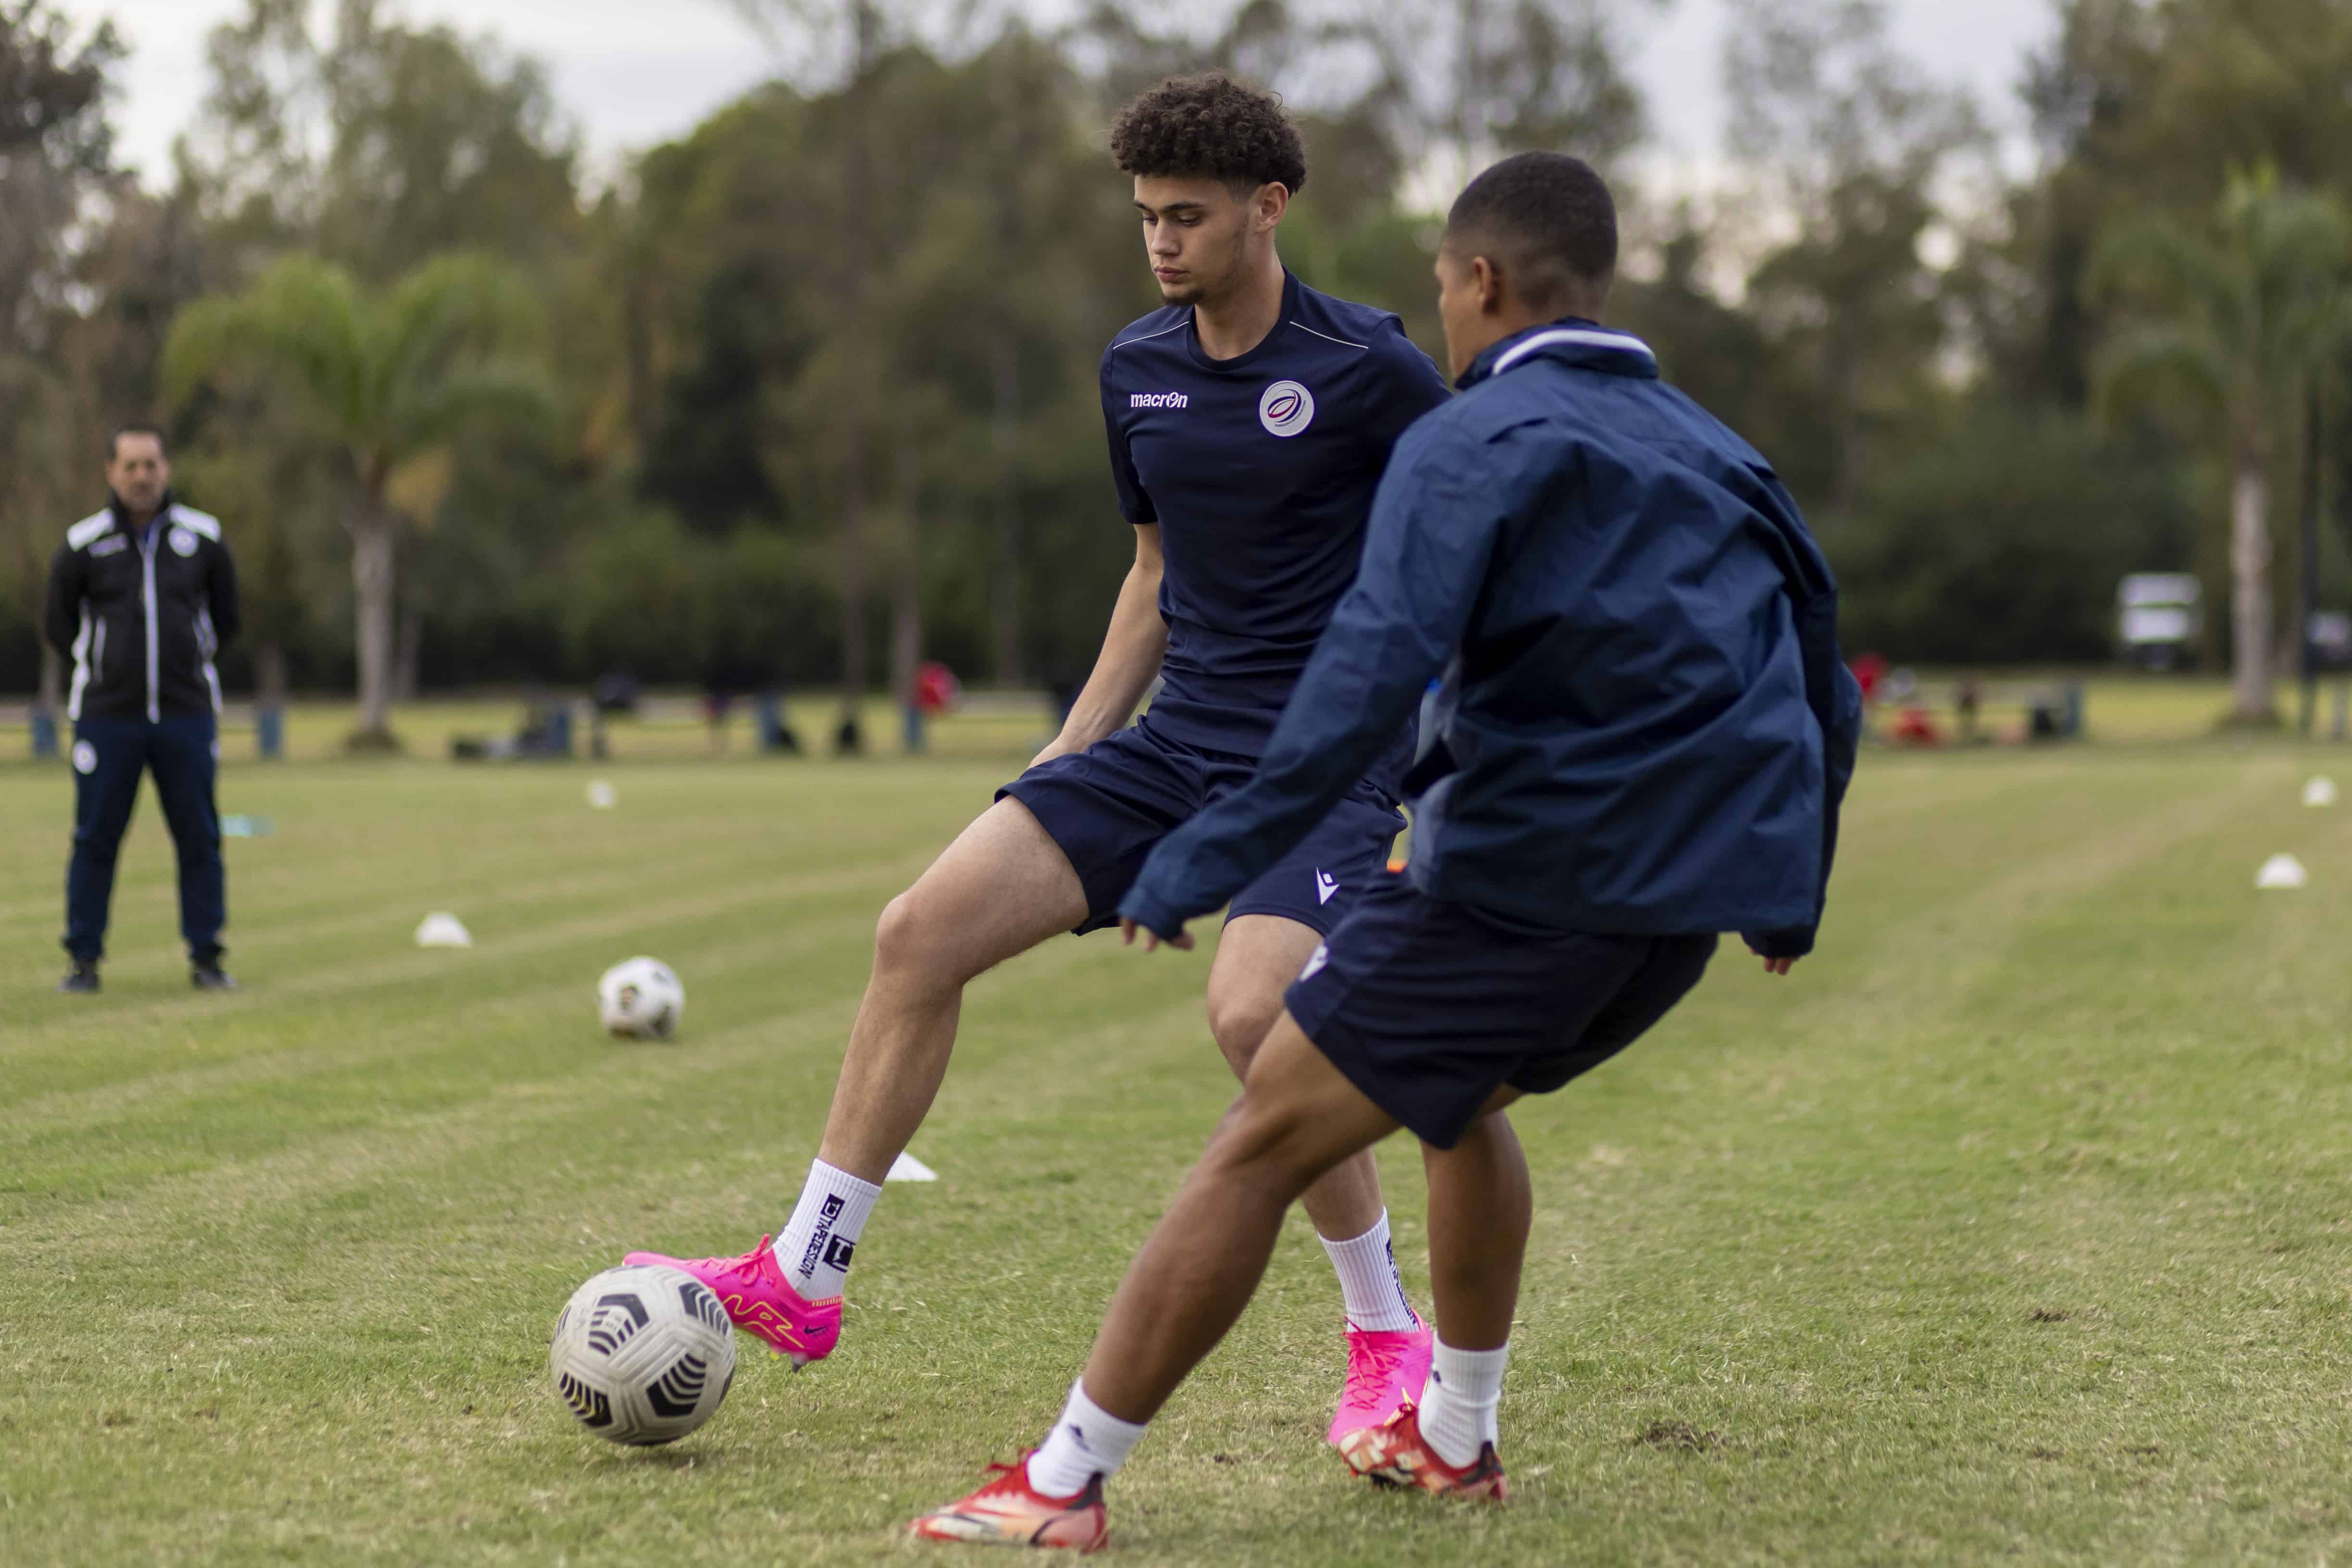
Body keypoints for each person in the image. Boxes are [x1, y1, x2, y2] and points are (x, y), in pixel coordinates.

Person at [908, 151, 1863, 1551]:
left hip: (1524, 888)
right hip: (1675, 923)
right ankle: (1454, 1436)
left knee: (1262, 1134)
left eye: (1443, 286)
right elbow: (1824, 676)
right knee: (1454, 1099)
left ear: (1479, 282)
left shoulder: (1469, 441)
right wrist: (1790, 894)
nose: (1443, 313)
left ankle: (1062, 1482)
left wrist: (1191, 859)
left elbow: (1361, 681)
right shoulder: (1716, 447)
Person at [625, 74, 1455, 1442]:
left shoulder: (1367, 367)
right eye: (1144, 218)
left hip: (1322, 766)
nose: (1161, 243)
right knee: (919, 929)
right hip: (1171, 741)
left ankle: (1385, 1330)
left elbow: (1467, 534)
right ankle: (803, 1272)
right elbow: (1150, 574)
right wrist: (1067, 759)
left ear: (1269, 207)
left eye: (1188, 217)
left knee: (1257, 1019)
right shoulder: (1138, 369)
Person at [44, 423, 242, 994]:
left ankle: (207, 957)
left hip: (185, 714)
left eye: (150, 464)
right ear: (110, 471)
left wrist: (192, 660)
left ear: (166, 468)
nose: (141, 476)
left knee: (198, 835)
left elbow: (227, 619)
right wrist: (101, 665)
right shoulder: (84, 544)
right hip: (108, 717)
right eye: (130, 465)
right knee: (95, 837)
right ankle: (83, 960)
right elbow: (59, 624)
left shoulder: (202, 538)